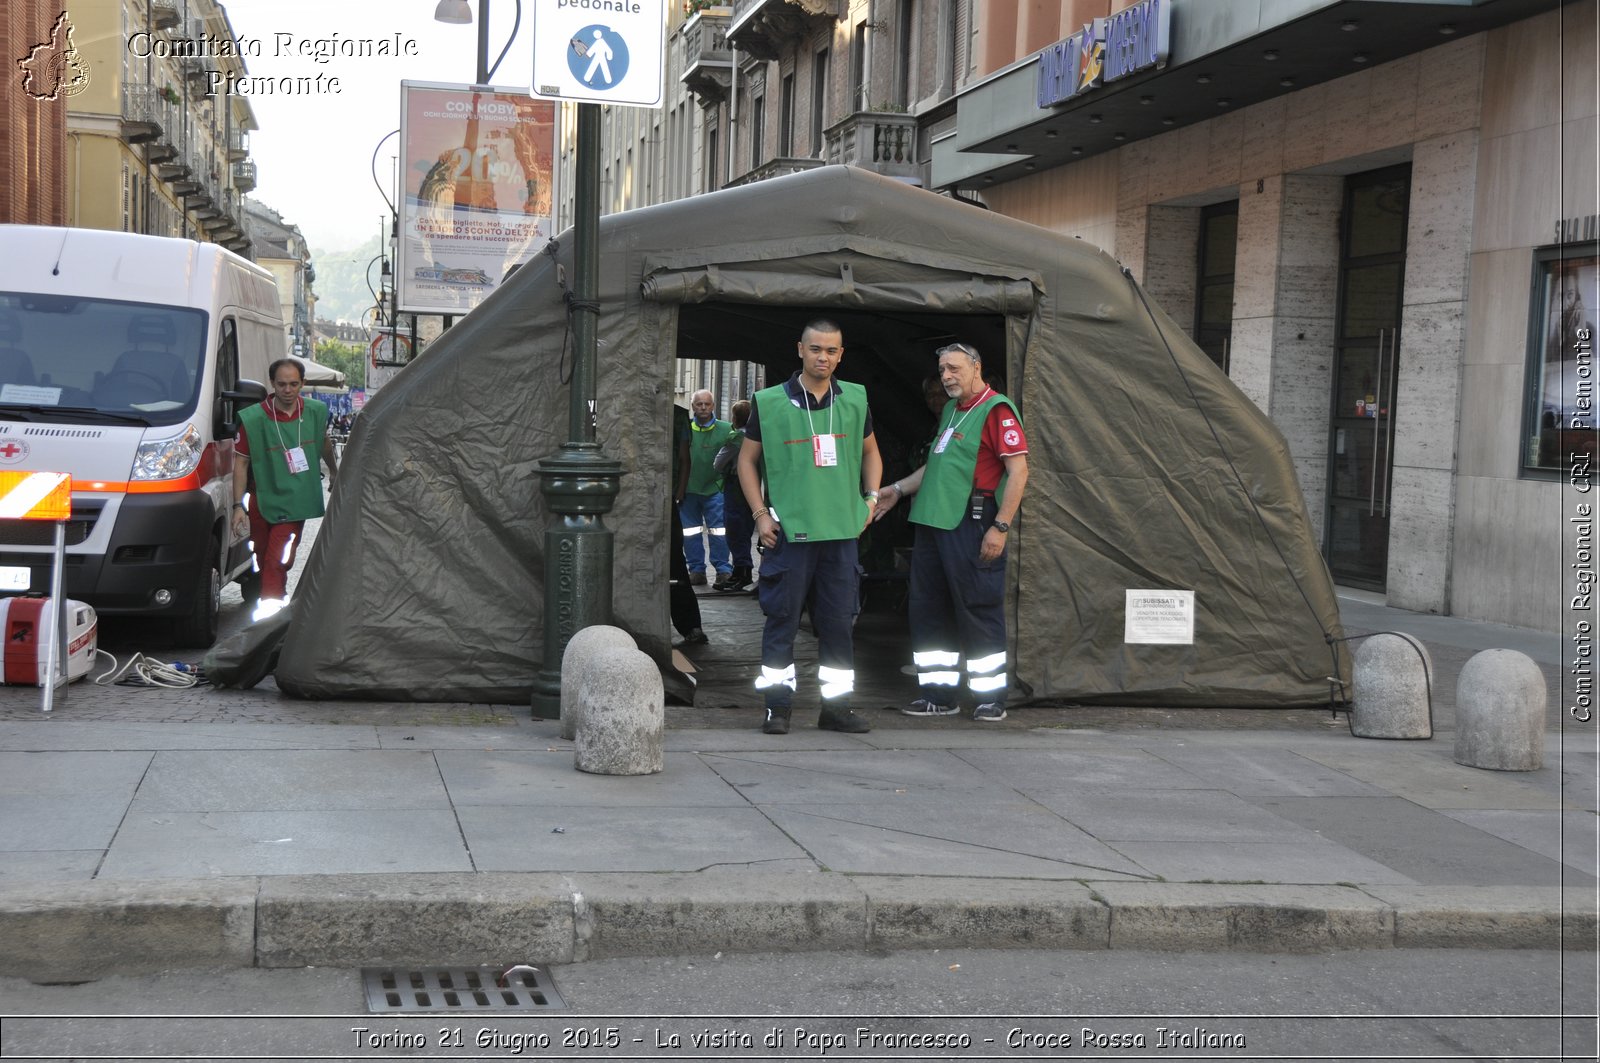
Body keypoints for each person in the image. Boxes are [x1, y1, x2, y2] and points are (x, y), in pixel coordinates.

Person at [872, 342, 1029, 722]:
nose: (947, 377)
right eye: (943, 370)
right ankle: (938, 695)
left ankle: (991, 697)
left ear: (976, 367)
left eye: (955, 369)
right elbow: (934, 469)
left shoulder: (996, 410)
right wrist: (896, 490)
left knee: (978, 607)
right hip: (933, 522)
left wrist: (1000, 526)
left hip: (973, 521)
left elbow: (1019, 471)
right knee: (928, 610)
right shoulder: (951, 412)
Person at [738, 319, 882, 735]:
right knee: (781, 620)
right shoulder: (768, 402)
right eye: (816, 349)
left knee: (838, 625)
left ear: (841, 354)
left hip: (840, 534)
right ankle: (777, 707)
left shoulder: (855, 399)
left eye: (832, 351)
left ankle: (836, 710)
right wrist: (760, 514)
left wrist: (870, 500)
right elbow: (747, 461)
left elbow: (872, 453)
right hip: (790, 534)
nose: (824, 357)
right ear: (800, 349)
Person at [231, 358, 339, 610]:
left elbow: (323, 442)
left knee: (277, 559)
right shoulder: (254, 419)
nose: (287, 390)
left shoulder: (314, 412)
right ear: (272, 384)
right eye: (281, 384)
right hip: (262, 499)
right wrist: (238, 505)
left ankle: (271, 616)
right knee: (262, 555)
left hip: (295, 500)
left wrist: (334, 470)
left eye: (293, 384)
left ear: (302, 383)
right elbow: (241, 464)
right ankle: (275, 602)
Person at [680, 389, 737, 586]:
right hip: (688, 490)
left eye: (707, 404)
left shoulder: (727, 429)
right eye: (699, 404)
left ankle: (723, 570)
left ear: (713, 406)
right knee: (691, 532)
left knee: (719, 530)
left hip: (715, 490)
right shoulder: (684, 428)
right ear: (692, 406)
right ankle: (696, 570)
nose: (703, 407)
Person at [669, 402, 707, 645]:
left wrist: (679, 490)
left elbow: (684, 458)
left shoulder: (677, 415)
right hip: (665, 497)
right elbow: (684, 458)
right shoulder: (679, 415)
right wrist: (679, 490)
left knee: (673, 562)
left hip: (661, 497)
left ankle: (691, 626)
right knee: (674, 561)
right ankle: (691, 627)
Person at [715, 399, 754, 592]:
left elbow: (718, 463)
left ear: (736, 418)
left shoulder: (736, 439)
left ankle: (741, 572)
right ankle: (744, 570)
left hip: (736, 486)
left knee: (735, 529)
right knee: (746, 528)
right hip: (756, 486)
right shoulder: (760, 437)